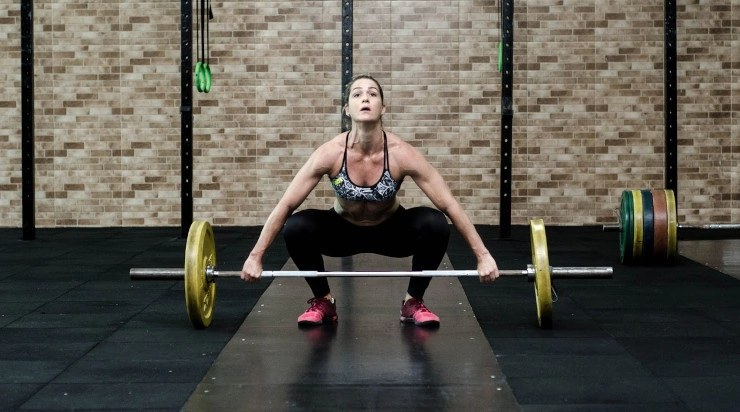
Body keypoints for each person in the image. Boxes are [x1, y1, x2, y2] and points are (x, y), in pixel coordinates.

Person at [241, 74, 499, 327]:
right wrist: (255, 257)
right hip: (341, 231)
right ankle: (323, 301)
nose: (365, 98)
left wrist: (483, 256)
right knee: (297, 226)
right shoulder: (330, 153)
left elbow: (449, 204)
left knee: (435, 222)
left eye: (372, 94)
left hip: (392, 231)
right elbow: (286, 204)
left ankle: (413, 301)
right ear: (347, 109)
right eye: (357, 94)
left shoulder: (401, 153)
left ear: (383, 107)